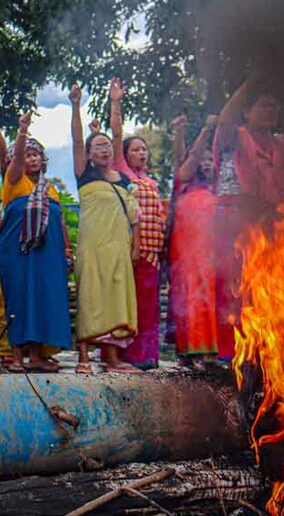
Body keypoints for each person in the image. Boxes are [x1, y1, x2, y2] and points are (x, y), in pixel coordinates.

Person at [212, 76, 284, 361]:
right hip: (233, 219)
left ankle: (266, 350)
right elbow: (224, 119)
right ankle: (231, 354)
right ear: (247, 112)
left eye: (274, 106)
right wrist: (252, 79)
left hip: (269, 222)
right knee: (233, 287)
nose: (270, 110)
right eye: (263, 105)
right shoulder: (234, 135)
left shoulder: (283, 144)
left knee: (268, 287)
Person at [0, 110, 72, 372]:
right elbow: (14, 157)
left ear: (43, 159)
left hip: (46, 255)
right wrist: (22, 130)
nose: (32, 158)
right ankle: (15, 358)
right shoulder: (14, 181)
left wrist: (67, 250)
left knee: (41, 300)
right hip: (17, 253)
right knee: (18, 299)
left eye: (36, 154)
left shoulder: (51, 188)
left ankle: (36, 357)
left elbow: (58, 222)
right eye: (27, 154)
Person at [69, 83, 140, 374]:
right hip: (92, 247)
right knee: (90, 297)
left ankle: (112, 359)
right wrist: (75, 106)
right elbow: (76, 140)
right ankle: (84, 357)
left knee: (114, 298)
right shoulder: (83, 174)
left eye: (107, 145)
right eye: (97, 145)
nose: (104, 148)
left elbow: (119, 134)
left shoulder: (123, 179)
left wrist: (115, 103)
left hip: (119, 248)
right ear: (88, 153)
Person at [109, 79, 166, 370]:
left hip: (154, 254)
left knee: (150, 306)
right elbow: (117, 136)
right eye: (136, 150)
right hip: (134, 250)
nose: (141, 154)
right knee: (134, 305)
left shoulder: (151, 182)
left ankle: (149, 355)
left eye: (144, 150)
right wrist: (116, 103)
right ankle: (132, 355)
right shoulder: (123, 174)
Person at [170, 114, 220, 365]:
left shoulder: (216, 189)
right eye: (202, 159)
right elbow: (184, 157)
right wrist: (207, 129)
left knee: (210, 293)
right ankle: (192, 350)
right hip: (188, 251)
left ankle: (211, 349)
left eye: (211, 160)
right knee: (191, 292)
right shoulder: (184, 181)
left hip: (210, 251)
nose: (207, 163)